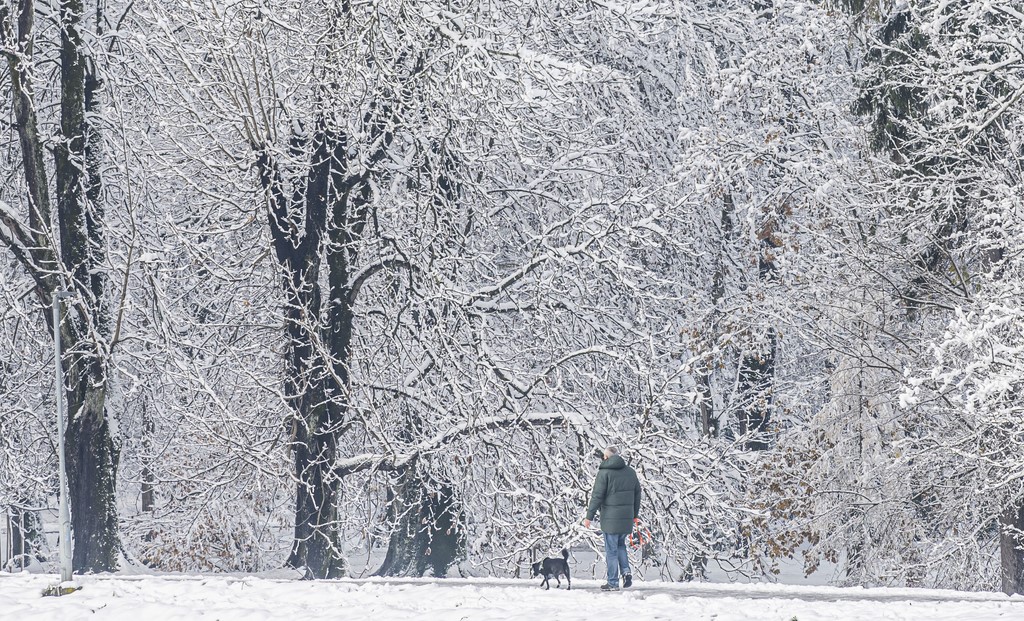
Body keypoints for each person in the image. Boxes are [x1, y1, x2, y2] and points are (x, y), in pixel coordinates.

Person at [584, 446, 641, 591]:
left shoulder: (604, 473)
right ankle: (626, 572)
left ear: (606, 457)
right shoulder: (630, 472)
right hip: (626, 518)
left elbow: (597, 496)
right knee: (621, 545)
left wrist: (589, 516)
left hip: (610, 519)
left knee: (611, 550)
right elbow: (637, 494)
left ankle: (613, 582)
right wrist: (634, 515)